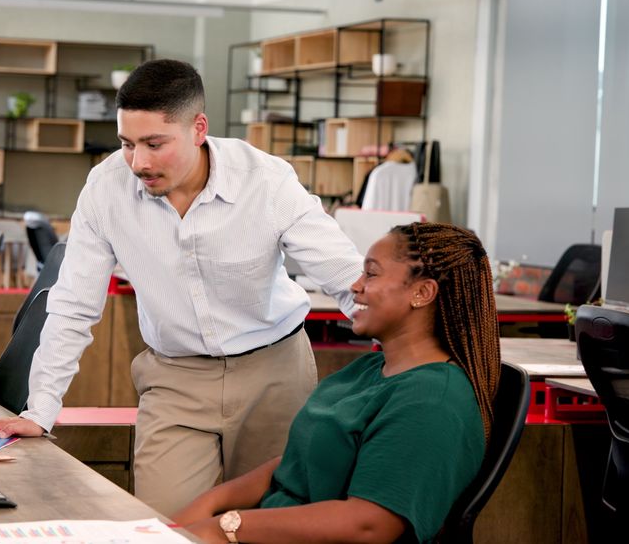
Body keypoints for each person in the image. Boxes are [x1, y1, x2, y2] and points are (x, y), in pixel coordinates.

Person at [0, 59, 362, 515]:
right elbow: (73, 305)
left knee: (268, 521)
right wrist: (40, 410)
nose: (139, 162)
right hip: (175, 380)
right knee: (165, 524)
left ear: (198, 128)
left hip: (274, 375)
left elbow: (347, 278)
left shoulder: (267, 182)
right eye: (128, 143)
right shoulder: (106, 188)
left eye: (155, 143)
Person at [173, 222, 501, 544]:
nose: (355, 286)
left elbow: (370, 525)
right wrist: (210, 505)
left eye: (371, 274)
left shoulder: (432, 402)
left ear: (422, 292)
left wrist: (226, 527)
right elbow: (297, 463)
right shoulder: (370, 370)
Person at [360, 148, 417, 212]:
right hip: (408, 218)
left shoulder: (379, 172)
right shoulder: (414, 171)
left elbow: (369, 204)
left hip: (382, 217)